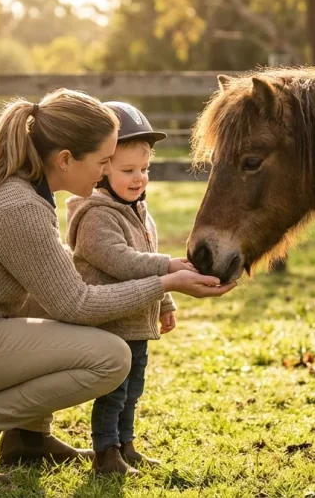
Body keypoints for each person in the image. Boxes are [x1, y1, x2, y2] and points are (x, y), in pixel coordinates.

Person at [0, 89, 236, 486]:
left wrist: (162, 280)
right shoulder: (16, 204)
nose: (105, 173)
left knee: (53, 297)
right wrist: (165, 282)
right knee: (112, 359)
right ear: (65, 159)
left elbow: (59, 280)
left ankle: (29, 439)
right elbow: (77, 304)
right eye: (102, 162)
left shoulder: (6, 172)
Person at [66, 101, 184, 475]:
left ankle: (126, 444)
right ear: (102, 171)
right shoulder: (96, 214)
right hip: (111, 322)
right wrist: (171, 267)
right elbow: (122, 261)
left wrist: (164, 303)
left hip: (137, 322)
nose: (139, 178)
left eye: (144, 169)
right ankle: (105, 453)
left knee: (133, 391)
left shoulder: (138, 210)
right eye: (128, 170)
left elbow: (146, 256)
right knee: (113, 393)